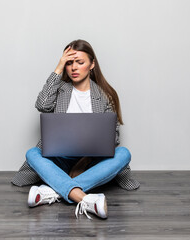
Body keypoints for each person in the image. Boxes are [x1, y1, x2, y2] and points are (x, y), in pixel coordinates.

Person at [11, 39, 140, 219]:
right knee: (32, 153)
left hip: (91, 161)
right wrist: (58, 67)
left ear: (92, 64)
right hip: (59, 159)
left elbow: (113, 138)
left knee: (123, 153)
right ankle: (85, 199)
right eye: (69, 63)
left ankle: (55, 191)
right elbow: (42, 104)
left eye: (80, 62)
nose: (74, 68)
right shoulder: (60, 89)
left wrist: (83, 162)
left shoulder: (105, 95)